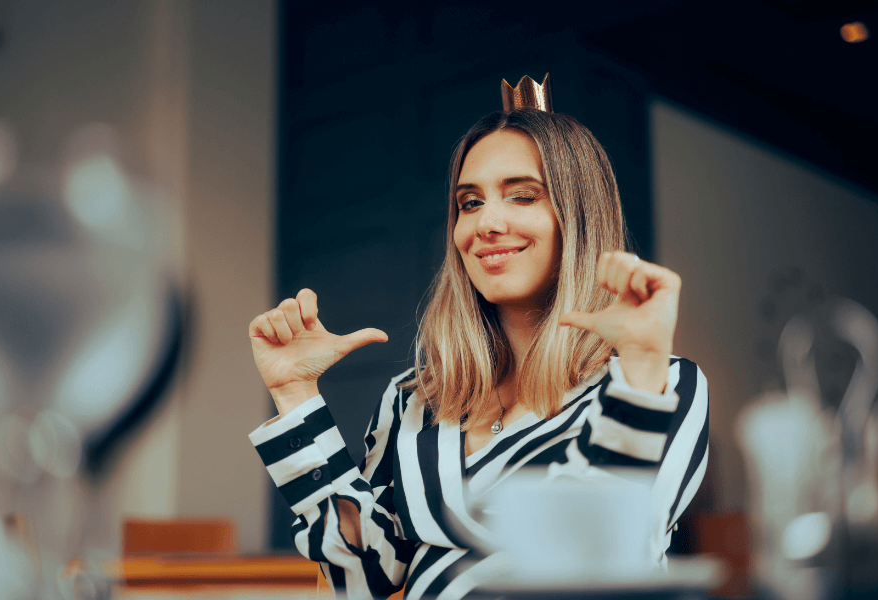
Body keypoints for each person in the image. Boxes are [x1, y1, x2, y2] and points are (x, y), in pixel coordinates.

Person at [247, 75, 709, 599]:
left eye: (522, 196)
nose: (486, 223)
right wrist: (295, 396)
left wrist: (642, 362)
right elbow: (359, 578)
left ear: (577, 216)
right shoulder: (413, 400)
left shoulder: (661, 383)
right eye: (469, 202)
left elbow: (605, 561)